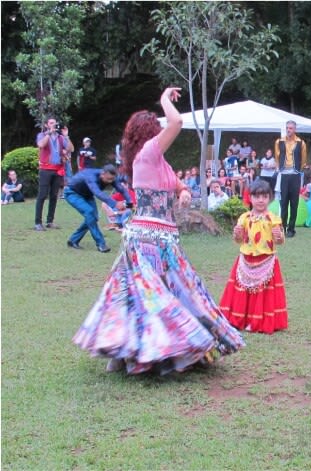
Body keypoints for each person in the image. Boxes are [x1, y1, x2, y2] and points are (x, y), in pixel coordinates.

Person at [73, 87, 245, 375]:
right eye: (156, 129)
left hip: (162, 236)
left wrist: (184, 192)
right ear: (149, 133)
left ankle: (125, 354)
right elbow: (177, 122)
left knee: (148, 295)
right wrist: (164, 98)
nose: (161, 133)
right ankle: (131, 353)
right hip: (150, 239)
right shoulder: (148, 153)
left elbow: (175, 183)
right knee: (150, 295)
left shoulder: (156, 160)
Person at [219, 179, 287, 334]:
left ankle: (258, 322)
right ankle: (241, 320)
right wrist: (236, 234)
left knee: (263, 293)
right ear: (250, 198)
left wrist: (279, 236)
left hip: (266, 260)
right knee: (243, 291)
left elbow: (279, 241)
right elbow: (239, 240)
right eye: (257, 196)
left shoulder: (274, 218)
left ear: (270, 198)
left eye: (264, 196)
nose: (260, 200)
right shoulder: (244, 218)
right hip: (246, 260)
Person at [64, 164, 132, 252]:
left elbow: (121, 189)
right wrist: (115, 204)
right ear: (102, 174)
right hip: (72, 193)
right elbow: (98, 193)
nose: (110, 181)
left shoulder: (110, 178)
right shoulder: (90, 177)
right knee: (90, 213)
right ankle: (101, 244)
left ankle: (73, 240)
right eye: (108, 179)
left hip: (87, 195)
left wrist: (129, 203)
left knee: (93, 217)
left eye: (112, 179)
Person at [35, 117, 74, 231]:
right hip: (45, 169)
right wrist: (49, 133)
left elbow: (71, 149)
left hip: (58, 170)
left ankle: (50, 221)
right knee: (42, 195)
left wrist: (66, 136)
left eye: (55, 123)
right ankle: (38, 222)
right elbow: (41, 145)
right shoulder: (42, 135)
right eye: (51, 123)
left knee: (54, 196)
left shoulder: (61, 138)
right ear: (47, 125)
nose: (54, 125)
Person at [274, 120, 307, 238]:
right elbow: (277, 156)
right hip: (283, 174)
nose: (289, 130)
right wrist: (280, 168)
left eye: (291, 128)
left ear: (295, 129)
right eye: (287, 128)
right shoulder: (279, 141)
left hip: (295, 174)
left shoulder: (301, 143)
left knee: (294, 203)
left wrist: (299, 170)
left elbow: (303, 159)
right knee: (283, 203)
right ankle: (282, 228)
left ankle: (291, 229)